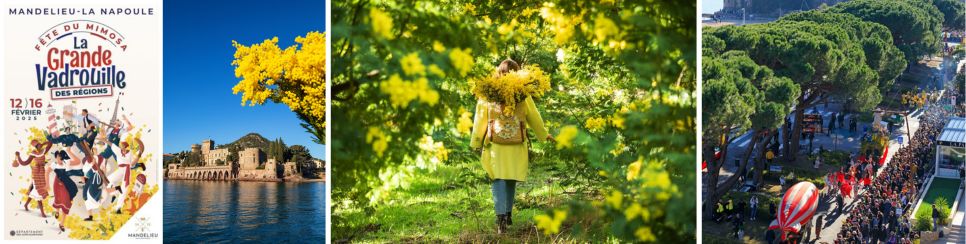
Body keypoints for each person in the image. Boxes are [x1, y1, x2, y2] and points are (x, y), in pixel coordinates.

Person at [470, 59, 554, 234]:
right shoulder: (523, 94)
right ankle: (507, 215)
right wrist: (543, 134)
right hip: (516, 144)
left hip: (495, 146)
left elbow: (480, 119)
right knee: (511, 177)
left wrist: (476, 141)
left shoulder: (487, 93)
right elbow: (534, 117)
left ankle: (500, 219)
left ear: (499, 72)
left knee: (498, 178)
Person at [12, 140, 54, 217]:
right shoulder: (33, 153)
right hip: (36, 172)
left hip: (41, 172)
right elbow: (24, 163)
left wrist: (43, 143)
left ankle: (26, 205)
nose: (40, 146)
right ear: (35, 146)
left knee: (35, 191)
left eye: (39, 144)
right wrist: (18, 157)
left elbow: (50, 143)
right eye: (38, 145)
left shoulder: (43, 151)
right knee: (38, 191)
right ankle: (42, 213)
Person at [51, 149, 83, 231]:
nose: (59, 159)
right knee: (58, 199)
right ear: (55, 157)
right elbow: (47, 172)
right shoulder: (54, 164)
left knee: (67, 202)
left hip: (66, 183)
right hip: (57, 184)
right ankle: (57, 211)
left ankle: (61, 223)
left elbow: (78, 161)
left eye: (61, 157)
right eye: (58, 157)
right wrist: (47, 184)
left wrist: (69, 151)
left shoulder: (66, 163)